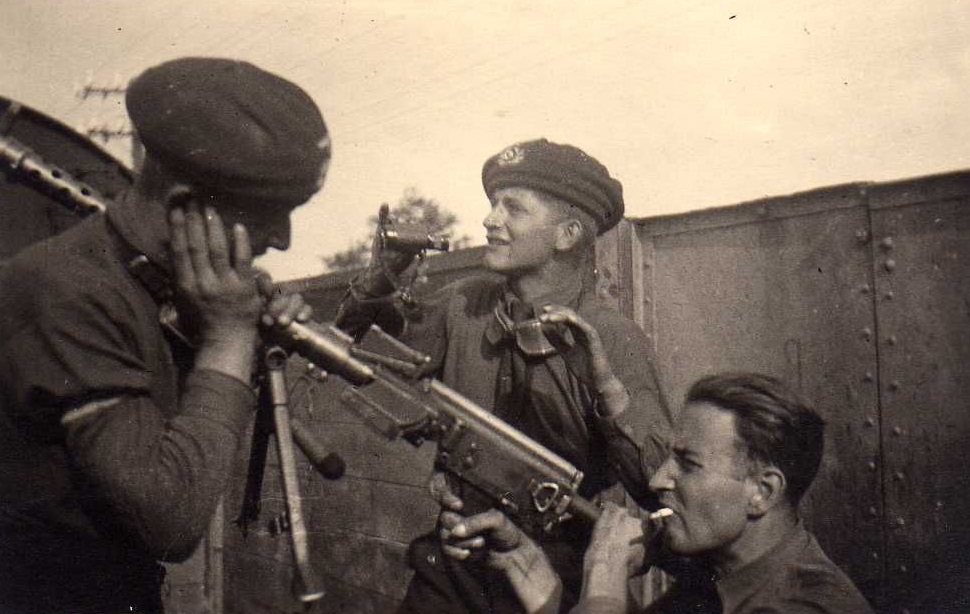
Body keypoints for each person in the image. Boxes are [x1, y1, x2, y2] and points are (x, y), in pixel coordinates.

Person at [0, 57, 331, 614]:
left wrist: (234, 346)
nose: (283, 240)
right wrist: (228, 340)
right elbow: (170, 521)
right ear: (184, 207)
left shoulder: (141, 279)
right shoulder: (70, 291)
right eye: (270, 215)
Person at [336, 138, 671, 613]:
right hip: (454, 569)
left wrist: (607, 392)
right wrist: (379, 279)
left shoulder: (613, 338)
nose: (490, 220)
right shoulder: (464, 304)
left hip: (557, 584)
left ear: (567, 234)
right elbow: (358, 354)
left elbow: (657, 484)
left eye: (513, 208)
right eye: (494, 204)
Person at [445, 373, 876, 614]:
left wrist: (605, 574)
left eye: (688, 464)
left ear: (762, 492)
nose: (657, 481)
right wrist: (527, 567)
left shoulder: (807, 607)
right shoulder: (717, 578)